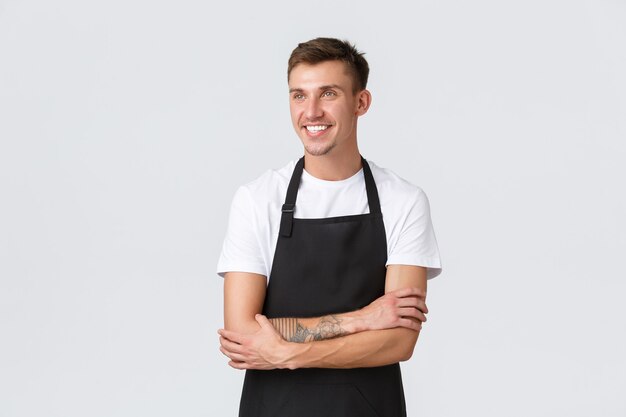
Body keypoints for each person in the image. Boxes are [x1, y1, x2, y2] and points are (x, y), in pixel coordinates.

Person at [217, 37, 442, 417]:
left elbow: (398, 341)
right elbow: (243, 337)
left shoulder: (403, 201)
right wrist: (363, 319)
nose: (312, 111)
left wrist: (288, 352)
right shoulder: (257, 200)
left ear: (361, 102)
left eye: (329, 93)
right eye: (299, 96)